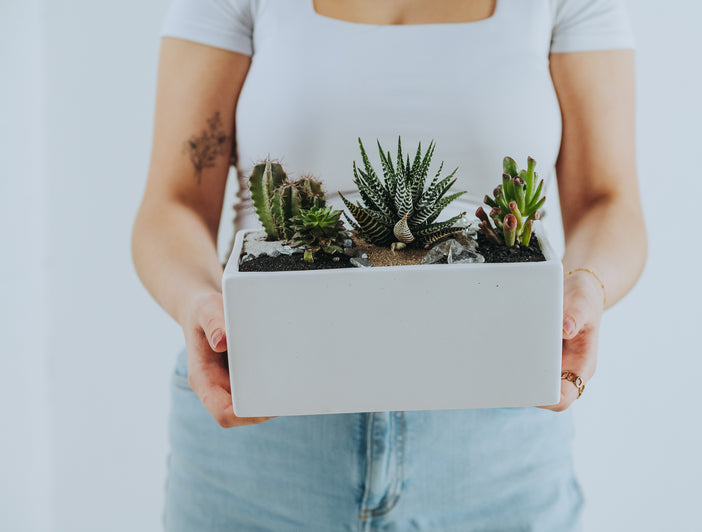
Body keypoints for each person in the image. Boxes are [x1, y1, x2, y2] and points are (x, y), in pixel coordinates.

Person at [131, 0, 647, 529]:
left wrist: (586, 286)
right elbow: (174, 203)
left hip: (496, 443)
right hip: (261, 427)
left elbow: (608, 201)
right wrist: (201, 303)